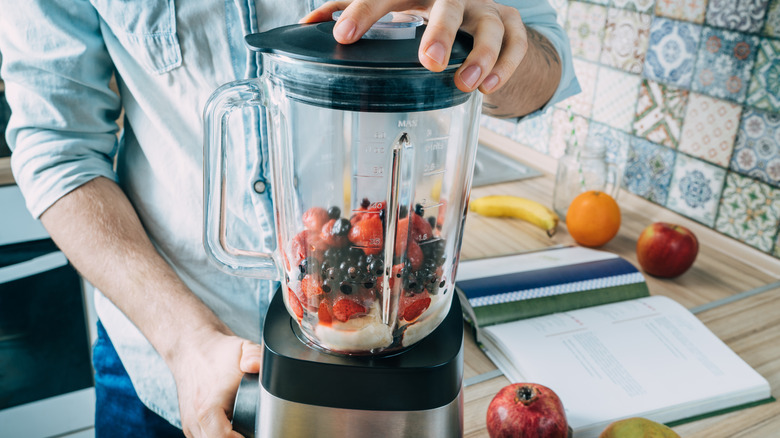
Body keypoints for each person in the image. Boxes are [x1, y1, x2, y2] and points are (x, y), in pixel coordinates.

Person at [0, 0, 579, 436]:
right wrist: (185, 343)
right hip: (164, 352)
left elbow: (546, 64)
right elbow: (57, 145)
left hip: (416, 320)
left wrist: (488, 46)